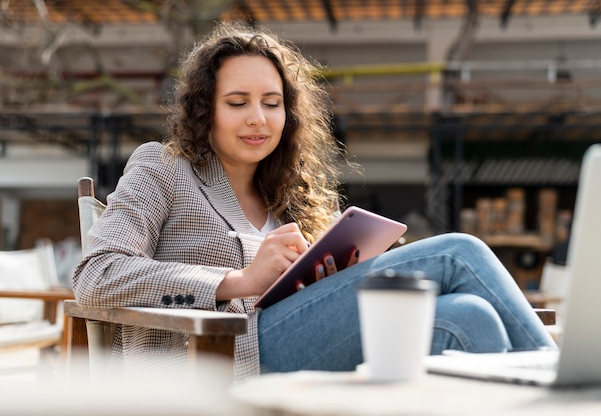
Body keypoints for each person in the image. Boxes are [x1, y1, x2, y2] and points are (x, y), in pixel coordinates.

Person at [73, 21, 556, 381]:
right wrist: (236, 280)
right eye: (237, 103)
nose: (257, 118)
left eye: (272, 102)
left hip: (286, 349)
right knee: (458, 253)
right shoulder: (163, 168)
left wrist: (326, 279)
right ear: (206, 110)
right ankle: (569, 393)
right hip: (212, 362)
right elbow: (96, 276)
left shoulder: (288, 196)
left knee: (469, 319)